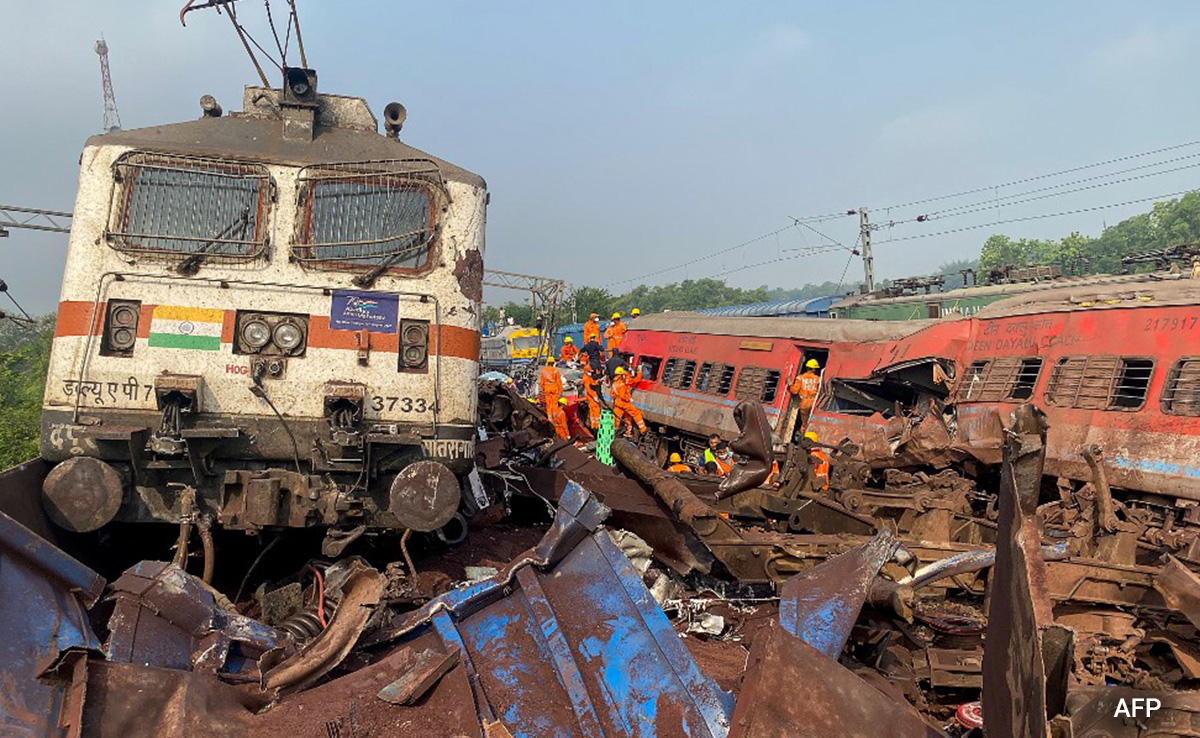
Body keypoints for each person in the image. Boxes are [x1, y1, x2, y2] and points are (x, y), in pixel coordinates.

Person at [788, 358, 822, 433]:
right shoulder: (818, 379)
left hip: (804, 403)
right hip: (815, 402)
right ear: (813, 369)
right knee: (813, 422)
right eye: (815, 369)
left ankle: (803, 436)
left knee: (804, 424)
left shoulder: (800, 378)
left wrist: (790, 384)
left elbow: (794, 391)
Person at [612, 366, 646, 437]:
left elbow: (612, 394)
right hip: (624, 402)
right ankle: (643, 429)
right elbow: (637, 379)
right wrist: (628, 399)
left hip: (617, 403)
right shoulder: (623, 383)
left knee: (618, 418)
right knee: (636, 413)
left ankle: (616, 432)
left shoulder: (614, 384)